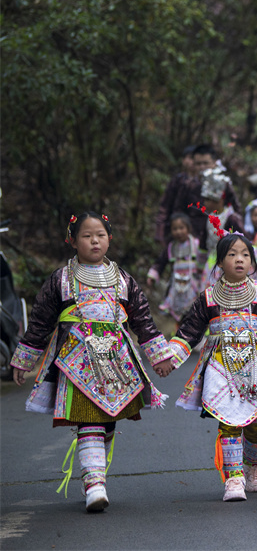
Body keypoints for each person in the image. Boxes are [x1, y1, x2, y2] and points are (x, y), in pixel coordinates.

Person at [10, 212, 171, 512]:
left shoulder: (123, 280)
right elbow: (41, 321)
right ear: (71, 241)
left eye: (100, 234)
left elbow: (143, 321)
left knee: (106, 421)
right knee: (89, 419)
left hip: (116, 359)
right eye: (86, 235)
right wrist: (24, 359)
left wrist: (159, 357)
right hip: (77, 359)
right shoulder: (61, 280)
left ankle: (94, 473)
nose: (94, 240)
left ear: (110, 238)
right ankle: (95, 483)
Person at [162, 232, 257, 502]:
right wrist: (168, 358)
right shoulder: (208, 298)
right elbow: (189, 332)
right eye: (232, 254)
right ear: (220, 261)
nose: (240, 260)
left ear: (252, 261)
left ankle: (254, 467)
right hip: (220, 365)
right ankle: (234, 478)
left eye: (245, 255)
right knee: (227, 420)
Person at [174, 144, 241, 250]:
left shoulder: (223, 184)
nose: (202, 167)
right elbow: (178, 210)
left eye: (205, 163)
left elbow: (236, 209)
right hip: (191, 240)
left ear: (214, 163)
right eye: (198, 164)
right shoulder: (188, 186)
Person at [147, 212, 201, 328]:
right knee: (179, 314)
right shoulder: (170, 248)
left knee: (194, 312)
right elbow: (160, 263)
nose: (178, 232)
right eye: (175, 229)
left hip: (193, 286)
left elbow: (204, 262)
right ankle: (179, 333)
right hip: (176, 288)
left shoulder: (197, 245)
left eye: (181, 228)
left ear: (188, 228)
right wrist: (153, 275)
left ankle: (195, 334)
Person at [197, 165, 244, 286]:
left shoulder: (231, 218)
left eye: (208, 199)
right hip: (212, 263)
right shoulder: (210, 218)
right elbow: (203, 242)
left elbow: (243, 240)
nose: (205, 203)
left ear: (220, 200)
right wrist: (199, 265)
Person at [154, 144, 195, 243]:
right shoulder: (177, 180)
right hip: (175, 228)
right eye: (189, 158)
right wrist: (160, 231)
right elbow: (165, 206)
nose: (191, 162)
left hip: (195, 231)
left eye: (193, 158)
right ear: (183, 160)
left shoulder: (203, 182)